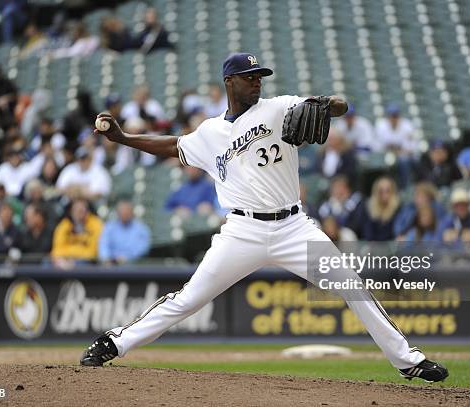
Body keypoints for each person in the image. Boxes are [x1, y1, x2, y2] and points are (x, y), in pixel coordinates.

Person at [80, 52, 448, 382]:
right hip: (242, 231)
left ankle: (407, 360)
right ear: (230, 81)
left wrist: (328, 104)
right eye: (250, 76)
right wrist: (124, 138)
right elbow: (173, 145)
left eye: (260, 76)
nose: (257, 81)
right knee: (188, 299)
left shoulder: (279, 107)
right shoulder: (210, 133)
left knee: (352, 284)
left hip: (293, 226)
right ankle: (113, 342)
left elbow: (338, 106)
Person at [51, 198, 103, 269]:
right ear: (71, 212)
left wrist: (73, 260)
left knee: (82, 264)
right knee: (47, 263)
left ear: (87, 211)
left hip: (86, 261)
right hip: (64, 259)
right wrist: (64, 260)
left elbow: (93, 251)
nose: (79, 214)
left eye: (81, 211)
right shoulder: (64, 224)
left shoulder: (96, 224)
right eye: (76, 211)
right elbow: (57, 249)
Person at [350, 176, 402, 241]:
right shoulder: (369, 208)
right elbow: (367, 233)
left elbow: (395, 233)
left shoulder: (398, 209)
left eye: (387, 191)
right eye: (381, 191)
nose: (384, 195)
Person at [99, 200, 151, 265]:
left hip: (135, 264)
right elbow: (103, 245)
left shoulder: (141, 228)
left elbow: (143, 248)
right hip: (112, 265)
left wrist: (127, 257)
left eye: (127, 212)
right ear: (118, 213)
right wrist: (106, 259)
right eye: (122, 212)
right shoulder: (109, 227)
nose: (124, 214)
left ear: (132, 212)